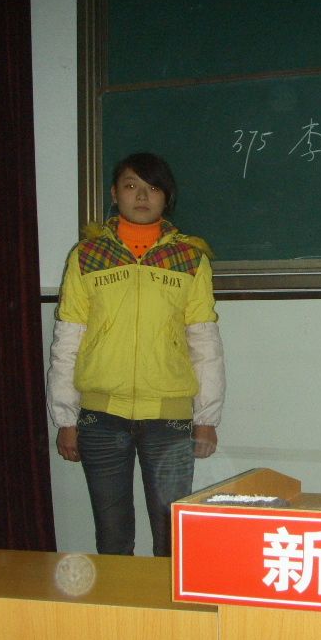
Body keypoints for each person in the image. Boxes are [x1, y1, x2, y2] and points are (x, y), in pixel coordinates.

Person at [46, 152, 225, 556]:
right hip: (100, 419)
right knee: (112, 536)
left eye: (153, 187)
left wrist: (207, 418)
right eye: (131, 186)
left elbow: (205, 343)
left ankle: (167, 602)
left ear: (166, 197)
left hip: (169, 420)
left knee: (171, 538)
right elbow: (67, 340)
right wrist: (66, 418)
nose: (142, 196)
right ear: (114, 193)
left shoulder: (190, 259)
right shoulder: (87, 256)